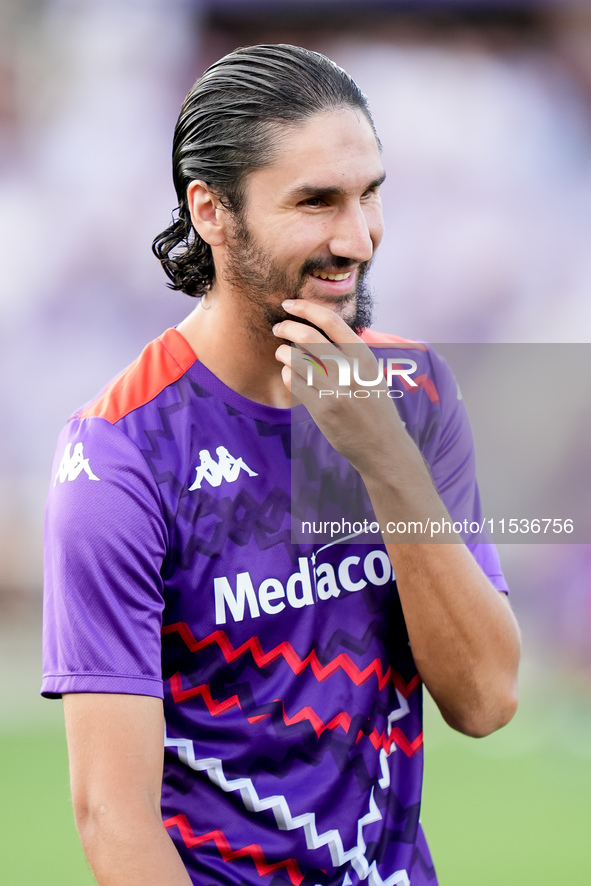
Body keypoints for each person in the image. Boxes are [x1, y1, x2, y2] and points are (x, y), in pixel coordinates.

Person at [42, 44, 520, 886]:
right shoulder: (120, 456)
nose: (357, 237)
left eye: (370, 194)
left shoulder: (413, 392)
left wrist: (385, 462)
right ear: (212, 212)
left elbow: (484, 700)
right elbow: (112, 821)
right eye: (315, 202)